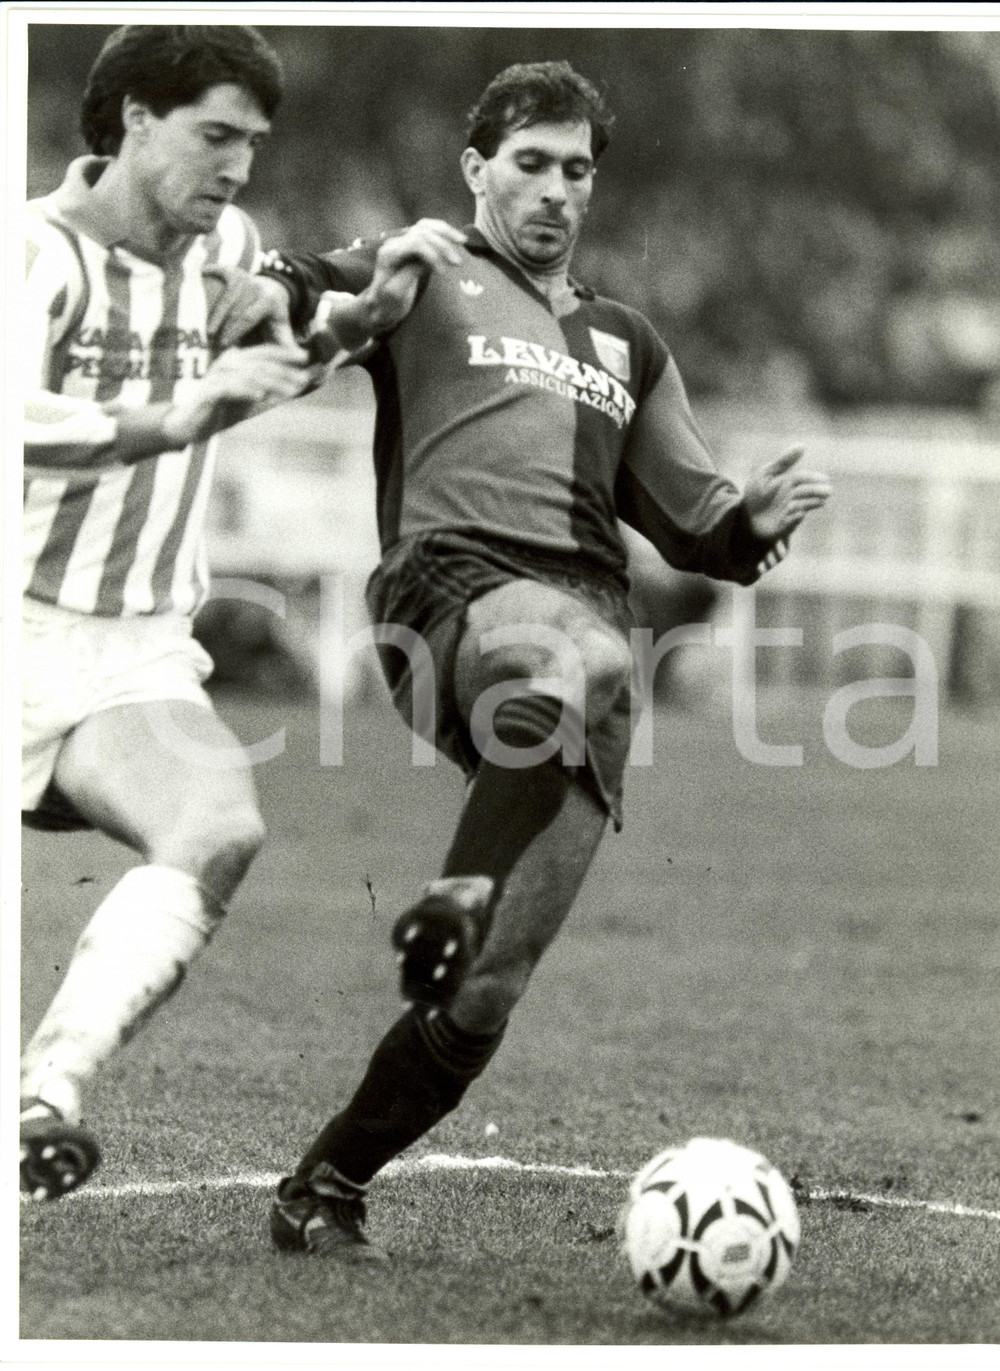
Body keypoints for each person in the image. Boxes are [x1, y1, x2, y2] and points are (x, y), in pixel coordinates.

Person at [258, 60, 832, 1261]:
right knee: (581, 654)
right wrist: (266, 288)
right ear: (478, 170)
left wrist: (750, 527)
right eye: (531, 162)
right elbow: (304, 287)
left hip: (579, 650)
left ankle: (326, 1184)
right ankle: (459, 886)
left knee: (487, 991)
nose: (557, 189)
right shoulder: (430, 268)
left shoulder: (625, 340)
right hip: (445, 592)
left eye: (577, 170)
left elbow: (699, 526)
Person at [18, 23, 324, 1201]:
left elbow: (251, 378)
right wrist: (184, 415)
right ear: (133, 121)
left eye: (251, 142)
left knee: (219, 827)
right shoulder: (33, 254)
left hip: (131, 647)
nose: (238, 167)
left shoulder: (228, 248)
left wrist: (342, 332)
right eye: (214, 135)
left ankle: (45, 1093)